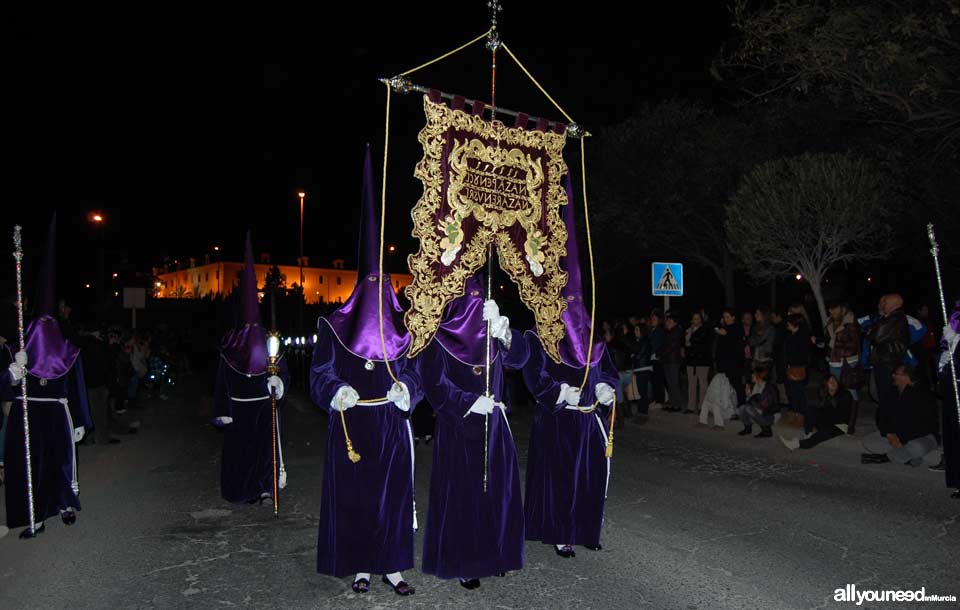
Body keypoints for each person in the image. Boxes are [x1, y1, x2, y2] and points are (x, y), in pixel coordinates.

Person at [310, 146, 421, 596]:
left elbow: (418, 373)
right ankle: (359, 566)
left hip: (391, 425)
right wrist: (337, 390)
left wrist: (408, 390)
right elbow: (319, 372)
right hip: (352, 426)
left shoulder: (405, 329)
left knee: (392, 497)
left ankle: (393, 567)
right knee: (357, 498)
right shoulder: (334, 328)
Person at [522, 179, 618, 559]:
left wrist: (608, 389)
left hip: (589, 422)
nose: (575, 309)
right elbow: (535, 375)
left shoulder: (593, 339)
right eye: (570, 302)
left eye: (580, 303)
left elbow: (608, 370)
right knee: (562, 480)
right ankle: (561, 531)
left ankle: (586, 528)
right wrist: (560, 392)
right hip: (561, 422)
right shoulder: (545, 336)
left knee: (590, 479)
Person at [419, 273, 529, 589]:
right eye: (472, 297)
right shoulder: (439, 338)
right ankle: (465, 561)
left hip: (494, 426)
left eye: (482, 297)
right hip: (459, 428)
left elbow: (520, 359)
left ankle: (497, 555)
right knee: (464, 497)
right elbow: (434, 384)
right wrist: (467, 402)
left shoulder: (492, 332)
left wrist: (504, 330)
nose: (477, 303)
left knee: (497, 492)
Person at [3, 216, 92, 538]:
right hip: (26, 411)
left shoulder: (68, 350)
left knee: (59, 462)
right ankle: (34, 516)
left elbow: (76, 387)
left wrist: (80, 419)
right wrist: (12, 372)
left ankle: (64, 503)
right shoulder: (18, 347)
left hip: (56, 410)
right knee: (28, 467)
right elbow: (3, 387)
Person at [212, 233, 289, 506]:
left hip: (261, 406)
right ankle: (240, 490)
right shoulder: (231, 345)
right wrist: (222, 410)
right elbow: (222, 382)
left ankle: (266, 489)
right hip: (238, 408)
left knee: (264, 451)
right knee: (240, 453)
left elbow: (282, 371)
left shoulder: (270, 341)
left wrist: (279, 384)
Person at [861, 365, 939, 466]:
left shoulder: (923, 394)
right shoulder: (892, 392)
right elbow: (881, 416)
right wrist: (889, 434)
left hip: (921, 438)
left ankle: (886, 457)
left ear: (906, 377)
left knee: (917, 447)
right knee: (869, 441)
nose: (893, 376)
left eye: (896, 374)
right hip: (897, 437)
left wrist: (901, 440)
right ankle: (909, 458)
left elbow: (923, 426)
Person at [780, 375, 851, 450]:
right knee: (811, 409)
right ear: (826, 384)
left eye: (834, 381)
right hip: (828, 422)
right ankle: (808, 434)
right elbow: (821, 410)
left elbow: (841, 415)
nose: (833, 383)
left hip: (839, 425)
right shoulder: (826, 394)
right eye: (830, 382)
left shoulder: (845, 394)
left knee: (819, 436)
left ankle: (795, 444)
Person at [736, 365, 777, 438]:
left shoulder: (768, 387)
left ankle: (766, 430)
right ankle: (747, 428)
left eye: (754, 374)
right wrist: (748, 391)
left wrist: (754, 404)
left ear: (759, 376)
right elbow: (750, 401)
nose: (752, 375)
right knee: (742, 407)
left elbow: (766, 406)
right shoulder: (755, 386)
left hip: (768, 416)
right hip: (758, 412)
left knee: (747, 408)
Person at [685, 312, 711, 414]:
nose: (696, 320)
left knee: (703, 384)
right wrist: (688, 335)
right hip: (691, 361)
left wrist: (692, 338)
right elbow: (687, 345)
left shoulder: (705, 330)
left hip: (702, 361)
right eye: (694, 318)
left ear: (701, 320)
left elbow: (703, 344)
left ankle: (702, 407)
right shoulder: (689, 330)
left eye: (698, 318)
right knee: (691, 384)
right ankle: (691, 407)